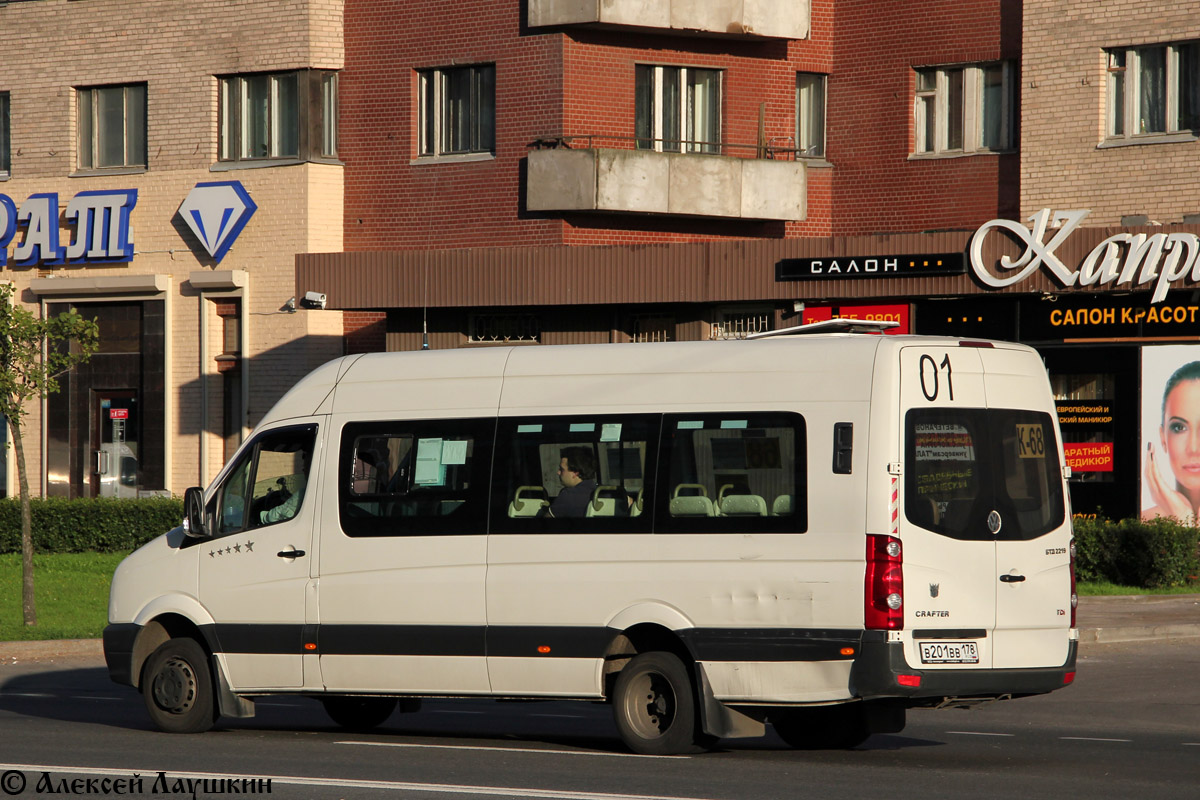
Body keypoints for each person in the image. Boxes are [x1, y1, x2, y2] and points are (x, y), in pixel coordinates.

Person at [1144, 360, 1200, 522]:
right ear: (1163, 438)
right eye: (1179, 428)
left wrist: (1186, 521)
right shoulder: (1142, 524)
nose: (1194, 448)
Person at [549, 446, 598, 517]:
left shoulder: (568, 496)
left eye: (562, 469)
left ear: (575, 473)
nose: (558, 472)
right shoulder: (600, 493)